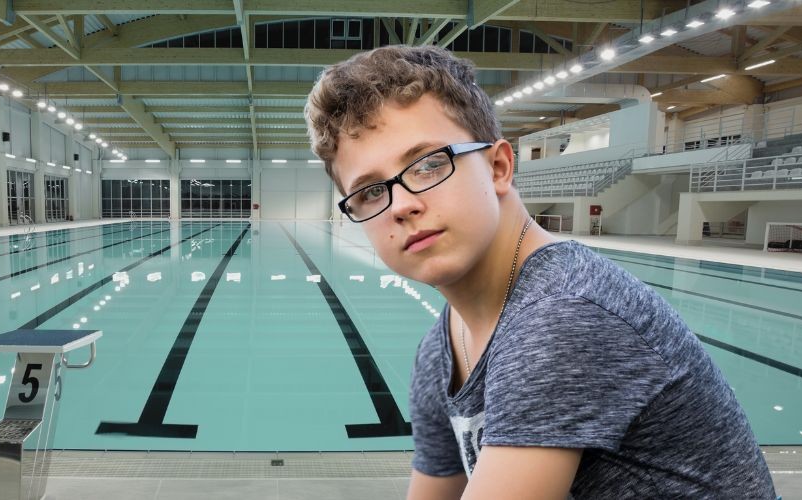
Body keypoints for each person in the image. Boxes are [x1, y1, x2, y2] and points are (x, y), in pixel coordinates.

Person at [304, 45, 775, 499]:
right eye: (369, 192)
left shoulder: (563, 315)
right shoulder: (440, 350)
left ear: (498, 167)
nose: (402, 205)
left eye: (428, 165)